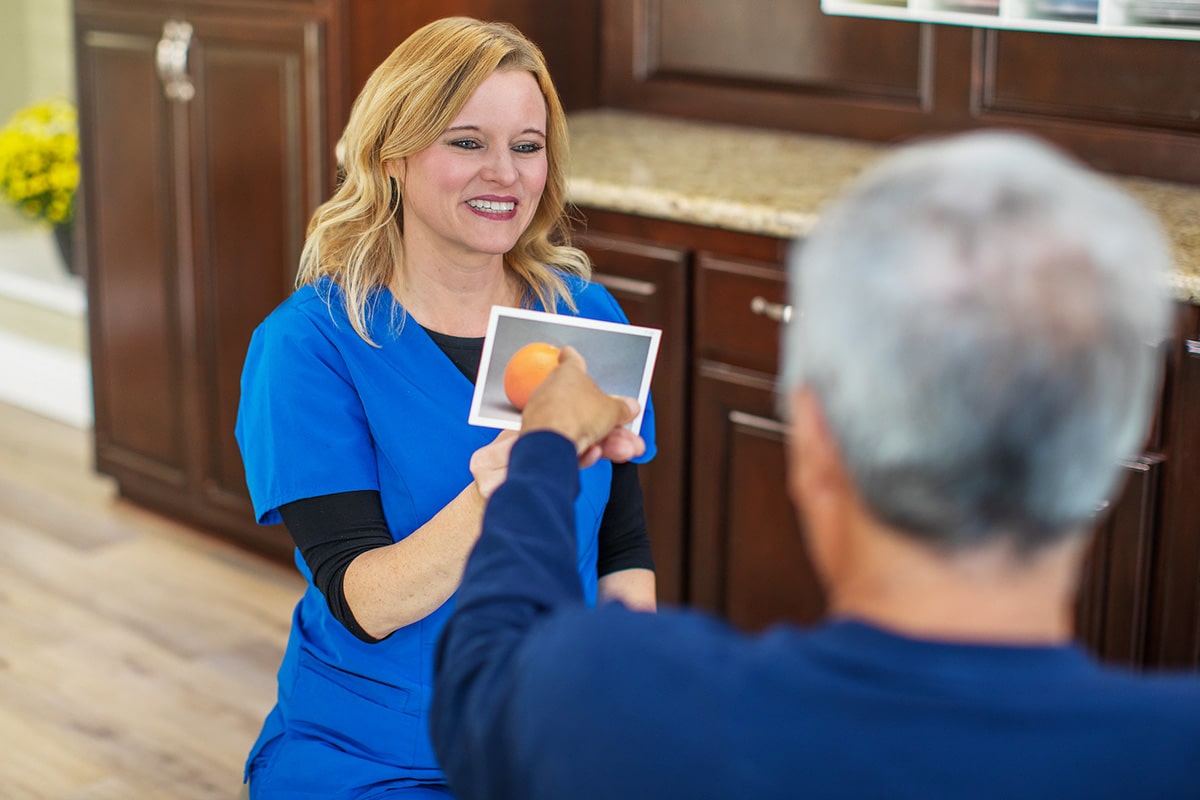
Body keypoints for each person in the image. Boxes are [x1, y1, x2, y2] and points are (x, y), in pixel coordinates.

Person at [430, 131, 1200, 799]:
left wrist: (546, 447)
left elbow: (481, 667)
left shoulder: (612, 702)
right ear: (1107, 453)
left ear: (815, 443)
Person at [234, 17, 657, 799]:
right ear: (392, 155)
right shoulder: (311, 345)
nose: (504, 173)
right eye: (467, 142)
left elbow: (620, 546)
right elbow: (368, 601)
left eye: (526, 146)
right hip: (381, 749)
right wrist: (517, 472)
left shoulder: (585, 319)